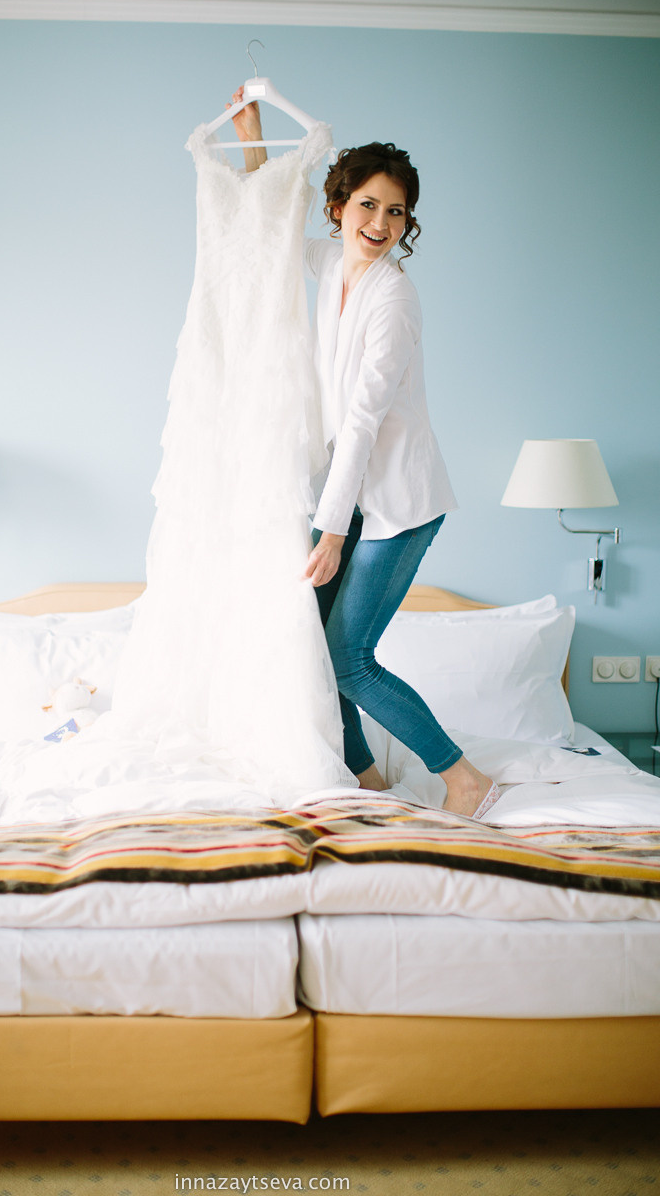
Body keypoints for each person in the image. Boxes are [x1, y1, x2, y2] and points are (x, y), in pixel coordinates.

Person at [226, 87, 499, 820]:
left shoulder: (393, 299)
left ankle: (464, 778)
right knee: (317, 651)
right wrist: (254, 137)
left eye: (396, 212)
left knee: (348, 657)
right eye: (369, 205)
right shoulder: (332, 265)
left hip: (400, 504)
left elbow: (363, 422)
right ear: (339, 206)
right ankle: (366, 780)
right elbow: (273, 228)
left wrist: (330, 530)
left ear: (407, 223)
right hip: (347, 496)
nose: (380, 224)